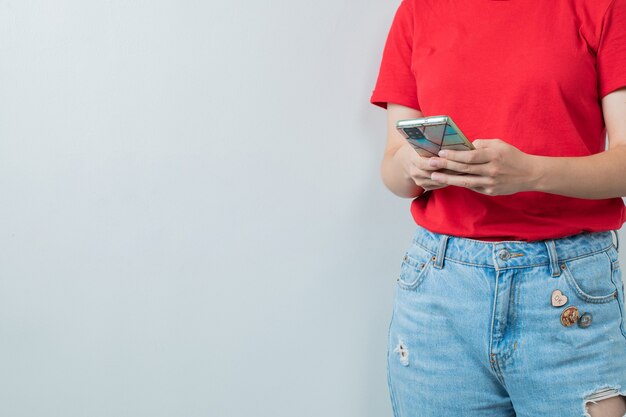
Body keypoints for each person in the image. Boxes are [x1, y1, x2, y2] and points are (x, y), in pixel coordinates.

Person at [369, 1, 626, 416]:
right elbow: (394, 167)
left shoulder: (602, 7)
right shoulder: (418, 10)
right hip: (439, 290)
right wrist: (414, 165)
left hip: (565, 292)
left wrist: (531, 174)